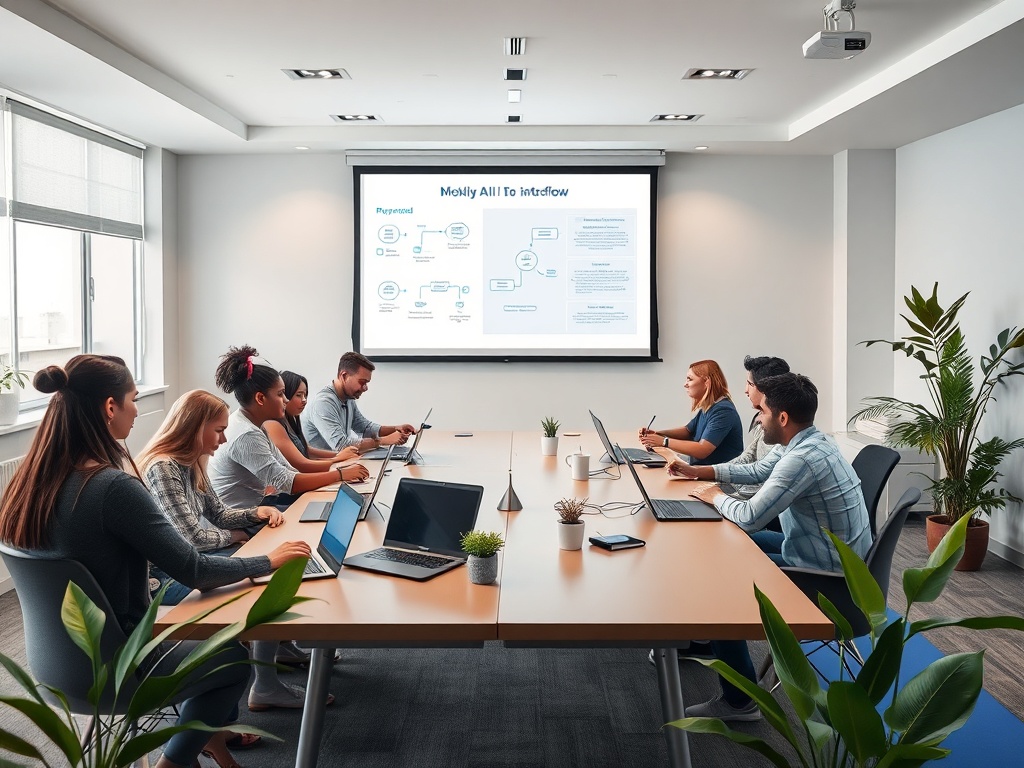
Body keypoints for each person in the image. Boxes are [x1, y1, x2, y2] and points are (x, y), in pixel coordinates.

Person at [0, 355, 310, 768]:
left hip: (52, 663)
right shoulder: (112, 487)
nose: (135, 410)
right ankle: (174, 763)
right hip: (119, 663)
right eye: (132, 399)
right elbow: (195, 569)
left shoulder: (26, 483)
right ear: (110, 407)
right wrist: (267, 561)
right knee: (235, 659)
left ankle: (207, 740)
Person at [670, 373, 870, 722]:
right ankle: (706, 640)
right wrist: (700, 474)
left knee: (720, 586)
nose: (757, 418)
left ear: (781, 418)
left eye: (761, 411)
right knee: (724, 541)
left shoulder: (801, 459)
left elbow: (749, 516)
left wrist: (715, 497)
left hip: (828, 582)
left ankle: (740, 702)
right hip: (826, 555)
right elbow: (760, 470)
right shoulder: (811, 443)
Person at [139, 389, 333, 712]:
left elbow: (216, 513)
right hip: (165, 579)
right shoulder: (163, 469)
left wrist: (255, 514)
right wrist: (234, 536)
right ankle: (265, 685)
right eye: (218, 430)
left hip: (190, 563)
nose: (224, 438)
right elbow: (193, 538)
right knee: (264, 576)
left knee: (271, 566)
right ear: (193, 427)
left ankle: (270, 661)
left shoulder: (190, 464)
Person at [208, 345, 366, 510]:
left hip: (258, 508)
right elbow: (286, 482)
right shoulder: (246, 434)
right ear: (260, 398)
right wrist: (339, 474)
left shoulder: (256, 425)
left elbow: (289, 471)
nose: (286, 400)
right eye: (280, 394)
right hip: (239, 519)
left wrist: (339, 471)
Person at [303, 351, 416, 453]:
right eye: (362, 382)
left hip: (340, 463)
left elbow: (364, 427)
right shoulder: (323, 404)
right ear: (344, 376)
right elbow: (341, 445)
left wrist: (396, 429)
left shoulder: (348, 397)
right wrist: (383, 441)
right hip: (324, 469)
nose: (365, 388)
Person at [638, 359, 743, 465]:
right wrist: (658, 434)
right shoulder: (710, 406)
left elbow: (702, 450)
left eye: (690, 379)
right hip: (701, 468)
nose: (685, 384)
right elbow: (688, 431)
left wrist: (663, 442)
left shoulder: (723, 411)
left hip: (717, 477)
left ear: (707, 382)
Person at [264, 370, 366, 477]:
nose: (304, 400)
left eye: (305, 395)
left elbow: (307, 451)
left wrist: (340, 455)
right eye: (299, 395)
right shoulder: (272, 424)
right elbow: (300, 465)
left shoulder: (293, 418)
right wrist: (337, 461)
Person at [717, 355, 791, 500]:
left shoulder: (780, 429)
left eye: (750, 384)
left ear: (766, 389)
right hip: (744, 494)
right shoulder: (759, 419)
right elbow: (747, 458)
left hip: (758, 504)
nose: (746, 390)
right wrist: (707, 476)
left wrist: (718, 494)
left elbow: (761, 481)